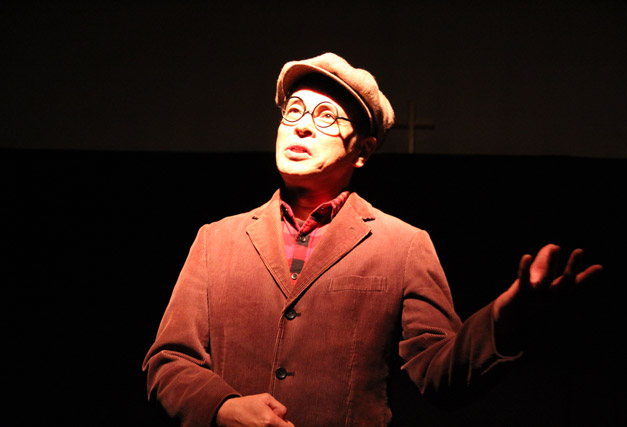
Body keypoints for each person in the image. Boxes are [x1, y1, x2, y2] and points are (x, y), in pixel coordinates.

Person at [142, 52, 602, 427]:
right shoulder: (216, 240)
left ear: (362, 151)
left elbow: (439, 374)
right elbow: (169, 359)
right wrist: (222, 408)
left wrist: (505, 320)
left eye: (326, 116)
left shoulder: (402, 245)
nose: (302, 125)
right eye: (294, 111)